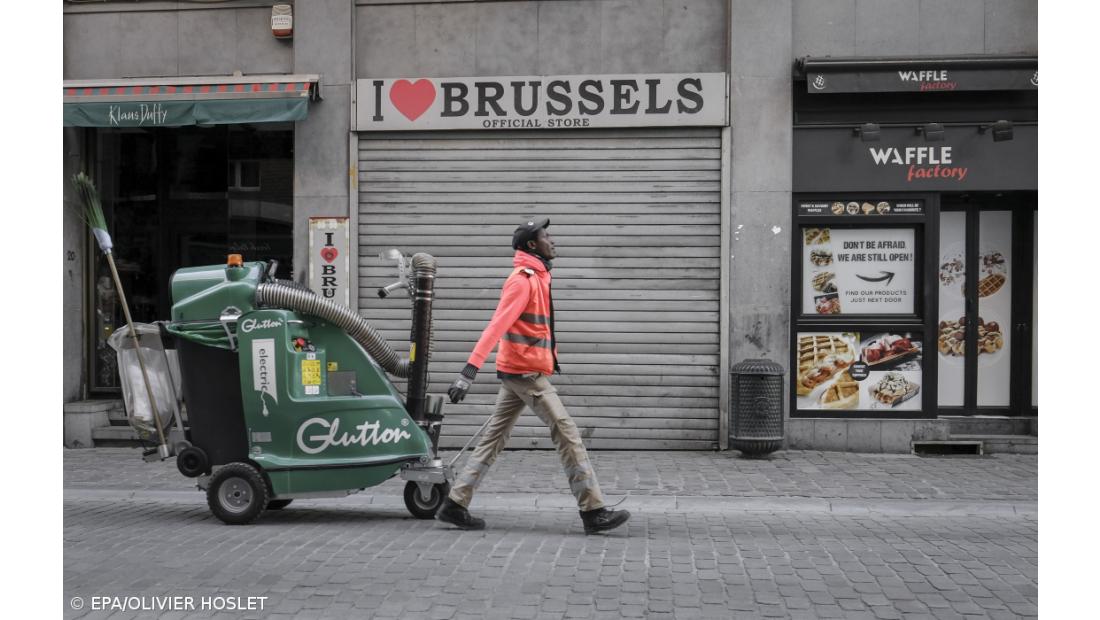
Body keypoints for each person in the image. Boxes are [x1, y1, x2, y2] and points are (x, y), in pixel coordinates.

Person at [438, 217, 631, 534]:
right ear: (532, 245)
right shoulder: (522, 280)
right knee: (566, 430)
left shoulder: (539, 277)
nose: (553, 241)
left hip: (523, 369)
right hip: (523, 371)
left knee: (493, 439)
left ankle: (455, 504)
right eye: (546, 236)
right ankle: (593, 510)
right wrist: (468, 371)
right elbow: (497, 325)